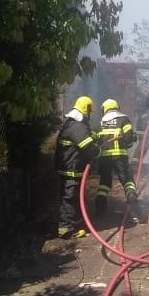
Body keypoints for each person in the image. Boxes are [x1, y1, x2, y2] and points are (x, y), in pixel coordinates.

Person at [54, 96, 101, 238]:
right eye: (89, 111)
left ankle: (74, 224)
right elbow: (86, 145)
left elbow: (87, 136)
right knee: (70, 197)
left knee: (72, 197)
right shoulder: (76, 126)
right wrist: (98, 151)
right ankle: (67, 229)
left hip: (70, 167)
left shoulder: (74, 124)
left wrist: (97, 136)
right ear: (85, 109)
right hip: (71, 168)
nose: (90, 114)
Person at [94, 98, 138, 216]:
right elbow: (129, 139)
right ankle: (133, 203)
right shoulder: (124, 119)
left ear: (104, 109)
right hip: (120, 156)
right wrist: (130, 141)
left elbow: (95, 140)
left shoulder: (100, 122)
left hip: (104, 157)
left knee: (104, 183)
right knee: (127, 180)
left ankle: (100, 209)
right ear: (116, 107)